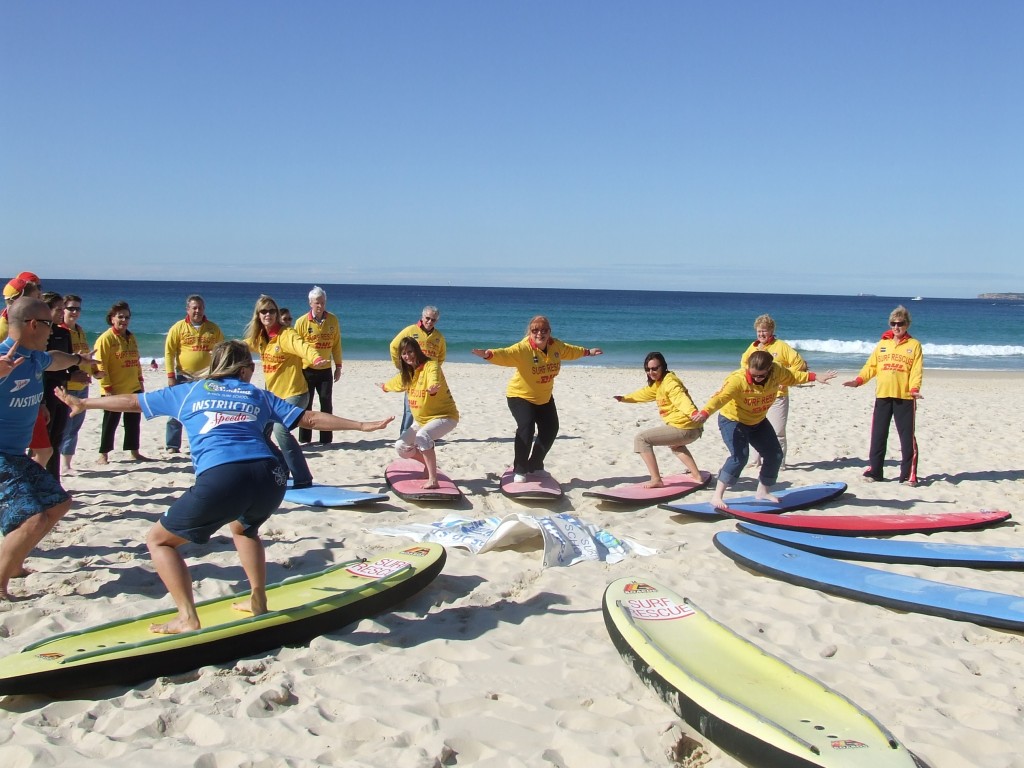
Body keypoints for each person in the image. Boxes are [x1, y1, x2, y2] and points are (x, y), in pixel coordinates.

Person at [57, 340, 393, 631]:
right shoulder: (257, 394)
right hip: (272, 477)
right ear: (244, 370)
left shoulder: (187, 392)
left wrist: (86, 403)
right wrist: (362, 425)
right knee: (244, 529)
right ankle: (258, 600)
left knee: (159, 541)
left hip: (224, 477)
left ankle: (187, 617)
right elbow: (310, 419)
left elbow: (133, 401)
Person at [1, 297, 92, 600]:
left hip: (15, 455)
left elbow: (56, 357)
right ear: (32, 325)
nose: (52, 330)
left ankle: (12, 564)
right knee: (34, 517)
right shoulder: (3, 357)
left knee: (58, 503)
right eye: (48, 325)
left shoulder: (34, 357)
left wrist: (78, 359)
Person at [691, 350, 836, 510]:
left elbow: (793, 376)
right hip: (733, 420)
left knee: (775, 455)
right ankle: (717, 496)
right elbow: (720, 398)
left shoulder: (777, 371)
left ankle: (763, 492)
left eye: (760, 376)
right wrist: (705, 413)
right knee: (739, 457)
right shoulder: (737, 380)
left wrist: (815, 377)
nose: (756, 378)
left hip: (758, 420)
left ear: (769, 370)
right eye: (753, 375)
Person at [472, 315, 602, 482]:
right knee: (526, 428)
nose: (539, 333)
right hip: (520, 396)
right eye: (535, 330)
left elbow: (569, 351)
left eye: (544, 330)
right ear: (530, 332)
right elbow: (505, 354)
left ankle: (535, 465)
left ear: (549, 332)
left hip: (544, 397)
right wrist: (488, 355)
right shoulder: (523, 348)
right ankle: (520, 469)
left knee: (551, 429)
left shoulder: (556, 345)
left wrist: (588, 352)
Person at [243, 295, 330, 488]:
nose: (268, 314)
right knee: (259, 433)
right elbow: (243, 345)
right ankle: (282, 466)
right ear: (258, 315)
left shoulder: (286, 335)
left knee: (280, 429)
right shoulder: (261, 339)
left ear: (277, 313)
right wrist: (219, 349)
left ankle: (303, 477)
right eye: (264, 311)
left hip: (295, 393)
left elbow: (302, 346)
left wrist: (315, 358)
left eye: (272, 311)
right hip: (273, 397)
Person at [843, 305, 923, 486]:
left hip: (905, 398)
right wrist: (858, 381)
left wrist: (914, 389)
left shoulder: (914, 345)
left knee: (907, 437)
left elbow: (916, 371)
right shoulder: (882, 344)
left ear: (907, 324)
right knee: (878, 435)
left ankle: (909, 475)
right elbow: (871, 366)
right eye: (893, 323)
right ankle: (875, 471)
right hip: (883, 396)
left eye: (900, 323)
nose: (896, 327)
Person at [614, 352, 703, 488]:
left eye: (655, 368)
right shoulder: (658, 384)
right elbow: (644, 393)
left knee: (641, 439)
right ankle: (697, 476)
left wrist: (693, 412)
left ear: (663, 367)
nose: (651, 372)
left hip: (686, 427)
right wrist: (625, 398)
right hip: (691, 427)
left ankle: (656, 479)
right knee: (676, 446)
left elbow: (680, 399)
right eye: (648, 369)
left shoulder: (670, 383)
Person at [381, 337, 458, 489]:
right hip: (422, 420)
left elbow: (433, 377)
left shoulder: (430, 365)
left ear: (417, 350)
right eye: (404, 354)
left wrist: (433, 386)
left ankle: (433, 479)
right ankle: (429, 465)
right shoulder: (408, 374)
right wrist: (384, 386)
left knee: (423, 437)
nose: (407, 356)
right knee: (401, 446)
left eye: (410, 351)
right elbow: (395, 383)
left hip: (445, 417)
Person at [740, 314, 807, 468]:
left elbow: (799, 363)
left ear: (771, 330)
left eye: (764, 331)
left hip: (778, 396)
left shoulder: (781, 346)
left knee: (778, 431)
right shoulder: (753, 347)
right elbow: (744, 364)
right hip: (757, 395)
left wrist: (785, 379)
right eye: (759, 331)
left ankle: (780, 462)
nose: (761, 334)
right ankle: (756, 460)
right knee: (754, 428)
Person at [164, 294, 224, 453]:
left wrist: (220, 372)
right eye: (194, 308)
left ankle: (204, 442)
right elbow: (169, 353)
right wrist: (170, 376)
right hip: (183, 376)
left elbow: (222, 350)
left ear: (204, 309)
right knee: (176, 410)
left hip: (207, 377)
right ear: (188, 309)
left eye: (200, 308)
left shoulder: (213, 328)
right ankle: (172, 445)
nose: (197, 311)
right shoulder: (178, 328)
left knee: (206, 412)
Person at [92, 301, 148, 464]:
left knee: (133, 422)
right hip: (114, 389)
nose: (124, 320)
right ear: (112, 318)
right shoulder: (106, 339)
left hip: (133, 387)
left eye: (127, 317)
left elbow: (136, 361)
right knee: (110, 423)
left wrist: (140, 381)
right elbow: (101, 364)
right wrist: (107, 387)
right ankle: (103, 454)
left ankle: (134, 452)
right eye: (120, 317)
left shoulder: (131, 337)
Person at [293, 286, 343, 445]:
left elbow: (336, 344)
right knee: (306, 405)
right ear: (310, 303)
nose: (320, 306)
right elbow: (295, 346)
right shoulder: (301, 322)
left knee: (326, 404)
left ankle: (326, 439)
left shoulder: (333, 320)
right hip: (306, 370)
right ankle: (305, 438)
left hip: (325, 370)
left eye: (322, 302)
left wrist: (339, 366)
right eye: (317, 303)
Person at [390, 305, 446, 434]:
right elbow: (393, 346)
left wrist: (434, 371)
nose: (430, 322)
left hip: (429, 377)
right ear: (422, 317)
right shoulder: (410, 330)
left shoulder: (439, 336)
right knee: (410, 408)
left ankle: (425, 434)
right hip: (413, 375)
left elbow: (441, 356)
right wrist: (400, 366)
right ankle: (404, 435)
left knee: (428, 407)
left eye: (433, 320)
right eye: (428, 318)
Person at [40, 292, 73, 480]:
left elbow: (69, 363)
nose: (63, 313)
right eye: (59, 309)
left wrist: (76, 371)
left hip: (62, 388)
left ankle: (54, 481)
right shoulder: (39, 334)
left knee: (57, 437)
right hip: (45, 390)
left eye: (63, 308)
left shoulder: (63, 333)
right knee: (43, 441)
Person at [58, 293, 93, 473]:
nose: (74, 312)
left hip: (82, 385)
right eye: (71, 308)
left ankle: (66, 464)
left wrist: (94, 370)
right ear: (63, 309)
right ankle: (58, 464)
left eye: (77, 308)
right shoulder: (59, 331)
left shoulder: (79, 330)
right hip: (66, 386)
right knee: (63, 427)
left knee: (75, 427)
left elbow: (84, 357)